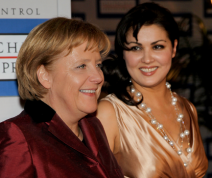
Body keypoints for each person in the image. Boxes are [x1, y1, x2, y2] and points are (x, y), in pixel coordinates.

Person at [0, 17, 124, 178]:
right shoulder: (18, 136)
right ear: (44, 76)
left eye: (98, 65)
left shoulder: (94, 126)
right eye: (81, 66)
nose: (98, 77)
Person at [97, 2, 208, 178]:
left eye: (157, 47)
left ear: (174, 48)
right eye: (135, 48)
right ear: (123, 54)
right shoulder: (109, 112)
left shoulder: (187, 108)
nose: (147, 59)